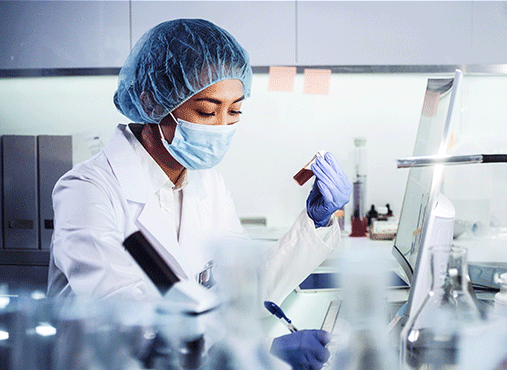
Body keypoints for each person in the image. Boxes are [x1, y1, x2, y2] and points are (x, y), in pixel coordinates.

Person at [47, 19, 351, 370]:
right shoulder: (87, 191)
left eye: (234, 110)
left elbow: (243, 292)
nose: (223, 127)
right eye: (207, 111)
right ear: (152, 102)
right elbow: (128, 319)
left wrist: (316, 221)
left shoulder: (208, 184)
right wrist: (262, 349)